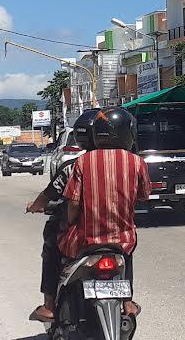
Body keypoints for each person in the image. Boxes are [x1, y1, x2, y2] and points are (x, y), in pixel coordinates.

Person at [56, 108, 150, 319]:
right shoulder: (137, 162)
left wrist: (68, 224)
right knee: (127, 254)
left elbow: (73, 202)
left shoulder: (83, 161)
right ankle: (127, 301)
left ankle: (53, 303)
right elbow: (144, 195)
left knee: (57, 248)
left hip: (85, 240)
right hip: (122, 239)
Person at [26, 109, 98, 323]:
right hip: (115, 231)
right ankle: (128, 300)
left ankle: (49, 305)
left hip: (79, 233)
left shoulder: (74, 167)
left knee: (51, 245)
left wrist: (35, 206)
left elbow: (49, 196)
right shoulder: (129, 164)